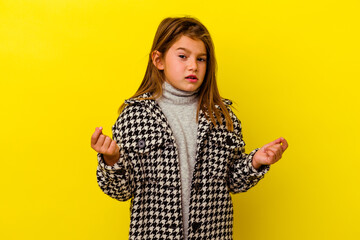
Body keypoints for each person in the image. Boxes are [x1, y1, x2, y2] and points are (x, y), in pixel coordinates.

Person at [91, 17, 288, 240]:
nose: (193, 66)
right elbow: (121, 191)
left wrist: (255, 161)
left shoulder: (222, 117)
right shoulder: (135, 116)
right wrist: (111, 160)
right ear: (159, 60)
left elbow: (232, 180)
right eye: (183, 56)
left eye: (201, 59)